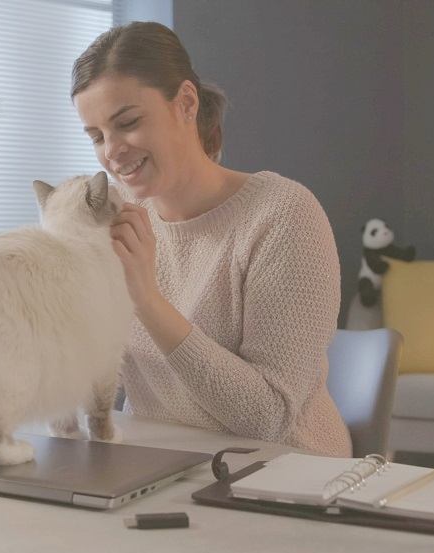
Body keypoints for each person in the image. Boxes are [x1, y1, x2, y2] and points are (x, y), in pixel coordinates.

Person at [71, 21, 352, 457]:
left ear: (185, 102)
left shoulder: (282, 215)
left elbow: (268, 417)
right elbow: (105, 371)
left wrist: (147, 300)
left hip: (286, 478)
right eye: (96, 137)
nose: (111, 152)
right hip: (166, 468)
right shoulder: (119, 214)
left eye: (126, 122)